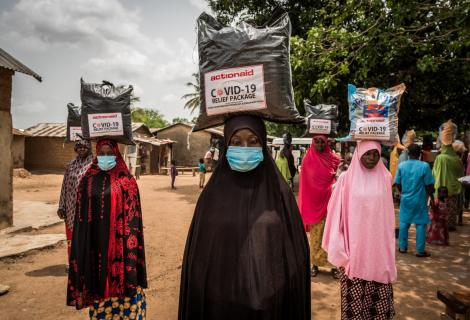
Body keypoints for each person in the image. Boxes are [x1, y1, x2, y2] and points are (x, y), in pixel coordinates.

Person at [178, 115, 310, 320]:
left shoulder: (281, 195)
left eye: (253, 141)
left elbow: (296, 258)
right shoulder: (210, 197)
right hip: (219, 306)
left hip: (269, 307)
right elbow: (199, 261)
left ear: (263, 144)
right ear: (226, 145)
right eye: (236, 142)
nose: (245, 148)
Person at [67, 139, 147, 319]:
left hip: (121, 250)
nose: (105, 157)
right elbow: (81, 219)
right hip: (96, 249)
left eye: (109, 153)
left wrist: (129, 248)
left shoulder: (127, 180)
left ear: (116, 153)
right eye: (101, 153)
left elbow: (133, 220)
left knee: (127, 304)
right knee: (99, 296)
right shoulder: (87, 180)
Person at [322, 141, 396, 319]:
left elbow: (388, 217)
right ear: (358, 153)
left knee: (378, 305)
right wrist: (340, 248)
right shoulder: (346, 179)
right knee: (354, 307)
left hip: (378, 253)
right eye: (368, 153)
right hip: (353, 252)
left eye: (376, 154)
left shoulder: (385, 178)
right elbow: (335, 214)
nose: (372, 158)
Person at [299, 135, 340, 278]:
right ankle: (314, 264)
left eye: (323, 142)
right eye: (316, 141)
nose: (319, 145)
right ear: (312, 142)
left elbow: (337, 178)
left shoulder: (334, 158)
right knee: (316, 236)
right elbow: (305, 184)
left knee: (332, 235)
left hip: (331, 203)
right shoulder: (307, 159)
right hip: (314, 203)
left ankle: (334, 265)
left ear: (327, 142)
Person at [394, 144, 435, 257]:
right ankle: (420, 250)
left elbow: (397, 182)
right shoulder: (424, 166)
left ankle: (402, 247)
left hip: (406, 199)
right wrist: (432, 197)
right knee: (421, 224)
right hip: (420, 200)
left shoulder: (402, 166)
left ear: (408, 153)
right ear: (420, 154)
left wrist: (403, 193)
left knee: (404, 223)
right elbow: (429, 185)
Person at [58, 140, 93, 260]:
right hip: (70, 208)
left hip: (87, 208)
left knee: (86, 237)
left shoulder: (94, 165)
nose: (81, 149)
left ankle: (85, 263)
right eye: (79, 147)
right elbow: (64, 186)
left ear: (89, 148)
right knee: (71, 237)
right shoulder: (71, 165)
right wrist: (61, 206)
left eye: (84, 147)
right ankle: (72, 262)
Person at [433, 143, 464, 231]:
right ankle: (451, 225)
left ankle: (440, 224)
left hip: (440, 188)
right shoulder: (457, 159)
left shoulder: (440, 158)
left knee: (440, 206)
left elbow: (435, 172)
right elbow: (461, 174)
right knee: (451, 206)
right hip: (453, 187)